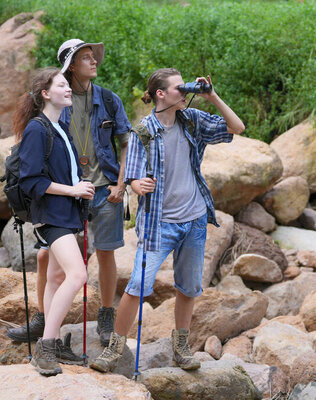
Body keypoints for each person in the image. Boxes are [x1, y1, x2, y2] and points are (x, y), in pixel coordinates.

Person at [90, 68, 245, 373]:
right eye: (178, 88)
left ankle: (181, 347)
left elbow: (236, 127)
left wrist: (210, 96)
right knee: (137, 285)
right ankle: (114, 349)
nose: (184, 92)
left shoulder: (193, 121)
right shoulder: (143, 132)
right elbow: (132, 178)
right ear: (160, 94)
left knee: (188, 288)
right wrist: (137, 186)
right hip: (159, 224)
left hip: (195, 220)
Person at [7, 39, 132, 348]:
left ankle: (105, 313)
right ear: (71, 65)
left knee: (105, 252)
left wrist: (121, 184)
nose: (95, 62)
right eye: (86, 58)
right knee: (47, 256)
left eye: (94, 57)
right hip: (65, 197)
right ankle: (43, 319)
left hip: (103, 190)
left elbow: (127, 142)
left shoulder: (109, 100)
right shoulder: (56, 103)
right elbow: (36, 155)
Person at [13, 67, 95, 376]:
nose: (68, 89)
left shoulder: (60, 127)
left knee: (58, 278)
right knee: (78, 275)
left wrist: (79, 190)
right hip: (52, 215)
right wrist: (73, 189)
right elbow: (30, 180)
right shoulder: (38, 128)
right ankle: (45, 348)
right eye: (61, 85)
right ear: (46, 94)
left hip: (67, 213)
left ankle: (55, 341)